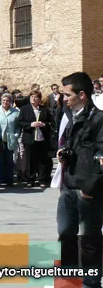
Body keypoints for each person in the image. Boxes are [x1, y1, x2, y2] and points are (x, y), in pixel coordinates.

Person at [56, 72, 103, 288]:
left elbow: (101, 157)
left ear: (82, 95)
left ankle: (91, 281)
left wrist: (89, 189)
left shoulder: (99, 120)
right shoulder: (71, 116)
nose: (64, 98)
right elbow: (72, 147)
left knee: (89, 239)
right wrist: (63, 154)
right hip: (68, 186)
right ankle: (69, 278)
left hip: (88, 191)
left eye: (68, 95)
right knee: (65, 233)